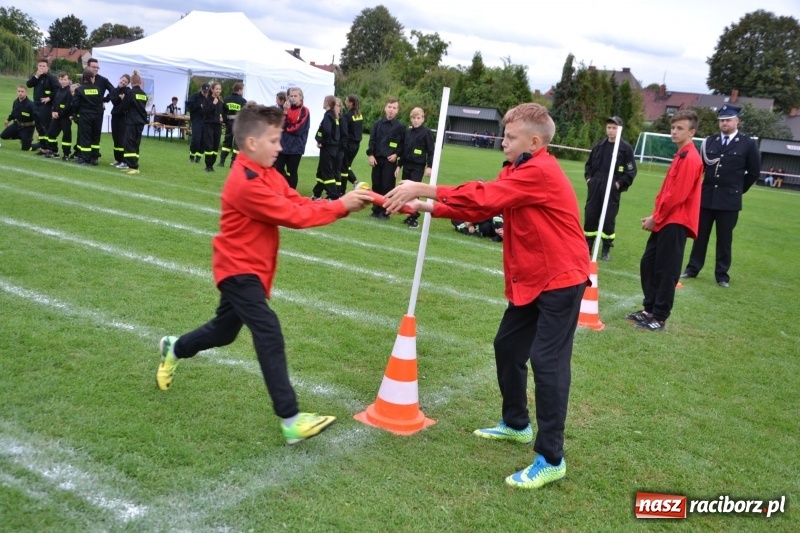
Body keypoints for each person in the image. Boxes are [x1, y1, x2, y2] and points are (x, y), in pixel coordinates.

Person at [383, 103, 590, 490]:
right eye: (504, 135)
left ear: (534, 140)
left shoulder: (540, 171)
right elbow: (486, 203)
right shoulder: (516, 170)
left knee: (548, 361)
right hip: (533, 278)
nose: (503, 143)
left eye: (510, 138)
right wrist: (427, 206)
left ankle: (551, 458)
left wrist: (423, 186)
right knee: (508, 346)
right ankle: (516, 424)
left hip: (561, 277)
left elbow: (485, 197)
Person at [155, 102, 374, 445]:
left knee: (223, 332)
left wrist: (341, 202)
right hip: (237, 270)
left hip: (253, 271)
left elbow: (298, 202)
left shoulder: (268, 173)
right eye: (274, 140)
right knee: (268, 329)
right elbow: (292, 215)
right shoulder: (245, 183)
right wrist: (340, 206)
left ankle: (175, 347)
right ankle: (290, 419)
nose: (280, 147)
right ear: (253, 144)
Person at [627, 110, 703, 332]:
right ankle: (649, 309)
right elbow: (668, 192)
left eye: (680, 128)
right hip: (665, 220)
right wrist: (655, 216)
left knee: (666, 270)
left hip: (675, 222)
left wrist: (655, 218)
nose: (674, 131)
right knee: (649, 264)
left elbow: (677, 196)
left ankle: (659, 317)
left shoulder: (690, 158)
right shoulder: (680, 155)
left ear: (692, 132)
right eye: (673, 127)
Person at [681, 104, 760, 288]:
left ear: (737, 121)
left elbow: (754, 172)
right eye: (722, 120)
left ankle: (722, 275)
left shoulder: (747, 143)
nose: (724, 123)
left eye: (728, 120)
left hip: (729, 200)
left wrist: (738, 190)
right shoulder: (710, 141)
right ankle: (692, 269)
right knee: (699, 236)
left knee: (724, 239)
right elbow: (699, 168)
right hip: (707, 197)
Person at [583, 116, 637, 261]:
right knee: (591, 215)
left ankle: (606, 248)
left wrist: (618, 184)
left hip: (612, 185)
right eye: (609, 127)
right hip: (596, 184)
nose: (611, 130)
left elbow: (631, 171)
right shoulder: (599, 146)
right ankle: (588, 246)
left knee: (608, 218)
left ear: (620, 129)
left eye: (614, 127)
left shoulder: (625, 149)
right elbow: (588, 166)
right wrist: (590, 180)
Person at [395, 107, 434, 228]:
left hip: (418, 166)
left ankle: (414, 216)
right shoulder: (408, 132)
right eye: (414, 118)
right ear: (411, 119)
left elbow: (431, 151)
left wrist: (429, 166)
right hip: (407, 164)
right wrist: (399, 166)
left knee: (414, 191)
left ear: (422, 119)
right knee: (405, 190)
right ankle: (409, 213)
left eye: (418, 118)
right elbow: (404, 150)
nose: (416, 120)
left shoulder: (426, 133)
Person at [366, 98, 405, 220]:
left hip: (390, 161)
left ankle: (385, 211)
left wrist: (396, 155)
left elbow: (403, 145)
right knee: (376, 185)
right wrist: (371, 155)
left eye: (394, 108)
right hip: (377, 159)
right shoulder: (377, 124)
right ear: (385, 108)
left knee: (387, 186)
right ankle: (376, 209)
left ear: (397, 111)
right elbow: (372, 141)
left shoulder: (400, 127)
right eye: (389, 107)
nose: (391, 110)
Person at [275, 87, 311, 189]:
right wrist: (285, 112)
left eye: (295, 96)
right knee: (278, 168)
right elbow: (280, 125)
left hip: (296, 146)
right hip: (283, 144)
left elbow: (298, 129)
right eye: (291, 96)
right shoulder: (286, 109)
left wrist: (286, 128)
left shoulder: (304, 110)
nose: (293, 98)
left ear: (301, 97)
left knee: (292, 170)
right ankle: (283, 187)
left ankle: (292, 192)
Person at [71, 69, 104, 165]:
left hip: (85, 115)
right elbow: (100, 102)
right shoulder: (98, 89)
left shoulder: (79, 89)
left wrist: (75, 114)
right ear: (91, 78)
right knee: (95, 137)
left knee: (85, 137)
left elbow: (75, 104)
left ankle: (86, 159)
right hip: (97, 116)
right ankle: (95, 157)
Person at [26, 58, 59, 153]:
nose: (41, 68)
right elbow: (28, 84)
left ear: (47, 67)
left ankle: (51, 148)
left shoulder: (51, 78)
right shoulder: (37, 77)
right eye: (40, 66)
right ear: (37, 66)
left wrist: (49, 98)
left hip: (46, 106)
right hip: (36, 105)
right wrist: (36, 76)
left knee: (46, 127)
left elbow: (58, 89)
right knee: (39, 128)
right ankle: (43, 148)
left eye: (43, 66)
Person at [311, 95, 341, 200]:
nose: (323, 103)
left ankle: (333, 195)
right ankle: (317, 193)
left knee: (327, 172)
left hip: (328, 148)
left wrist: (322, 141)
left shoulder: (328, 115)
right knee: (321, 171)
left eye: (324, 101)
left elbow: (327, 130)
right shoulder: (333, 116)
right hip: (332, 148)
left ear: (328, 103)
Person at [120, 70, 148, 175]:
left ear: (131, 82)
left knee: (128, 143)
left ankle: (133, 166)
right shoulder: (144, 94)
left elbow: (125, 107)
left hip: (131, 121)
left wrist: (123, 99)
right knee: (136, 143)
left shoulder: (130, 93)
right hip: (140, 122)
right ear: (140, 82)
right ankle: (133, 164)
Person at [43, 72, 73, 160]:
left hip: (65, 117)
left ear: (69, 80)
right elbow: (54, 103)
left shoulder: (70, 91)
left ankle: (66, 154)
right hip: (56, 116)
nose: (63, 81)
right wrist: (53, 112)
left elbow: (68, 106)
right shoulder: (58, 90)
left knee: (66, 135)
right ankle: (54, 151)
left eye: (65, 79)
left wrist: (59, 113)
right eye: (61, 79)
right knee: (51, 133)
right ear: (59, 80)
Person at [219, 82, 247, 167]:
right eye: (242, 90)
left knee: (227, 142)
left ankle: (222, 161)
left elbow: (223, 112)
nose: (243, 92)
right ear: (239, 90)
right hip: (239, 125)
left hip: (229, 123)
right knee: (237, 144)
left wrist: (225, 121)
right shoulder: (243, 101)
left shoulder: (227, 99)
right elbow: (245, 114)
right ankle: (233, 163)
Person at [1, 85, 37, 151]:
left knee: (26, 148)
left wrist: (39, 131)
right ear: (16, 92)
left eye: (22, 91)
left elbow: (37, 118)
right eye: (19, 91)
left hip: (28, 128)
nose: (20, 93)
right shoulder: (15, 102)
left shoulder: (31, 105)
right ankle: (22, 137)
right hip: (17, 124)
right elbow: (13, 113)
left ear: (26, 92)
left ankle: (42, 144)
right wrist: (8, 120)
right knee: (3, 136)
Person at [340, 94, 364, 190]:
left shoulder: (347, 116)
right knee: (347, 165)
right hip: (356, 145)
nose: (345, 103)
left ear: (351, 103)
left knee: (344, 167)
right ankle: (354, 181)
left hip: (348, 145)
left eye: (346, 101)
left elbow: (344, 132)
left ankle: (342, 190)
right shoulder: (359, 115)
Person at [201, 82, 226, 172]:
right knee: (209, 145)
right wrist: (213, 104)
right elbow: (205, 112)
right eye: (216, 89)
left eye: (219, 89)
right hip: (209, 124)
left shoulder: (220, 101)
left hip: (217, 125)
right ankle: (208, 165)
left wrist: (223, 117)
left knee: (216, 145)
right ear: (212, 90)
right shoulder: (207, 99)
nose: (218, 90)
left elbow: (224, 111)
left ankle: (212, 165)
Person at [109, 74, 131, 167]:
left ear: (128, 83)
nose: (123, 82)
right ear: (120, 79)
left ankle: (124, 160)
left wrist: (124, 98)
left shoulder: (128, 91)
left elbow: (128, 101)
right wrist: (120, 97)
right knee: (115, 138)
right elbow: (113, 101)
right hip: (115, 116)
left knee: (122, 138)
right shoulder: (114, 90)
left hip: (123, 116)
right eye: (123, 80)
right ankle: (117, 159)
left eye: (125, 82)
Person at [186, 83, 210, 163]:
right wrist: (199, 106)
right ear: (201, 89)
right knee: (196, 139)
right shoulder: (195, 96)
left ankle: (198, 158)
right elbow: (189, 106)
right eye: (204, 91)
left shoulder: (210, 98)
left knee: (203, 140)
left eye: (206, 91)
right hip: (197, 120)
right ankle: (192, 156)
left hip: (206, 121)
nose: (205, 93)